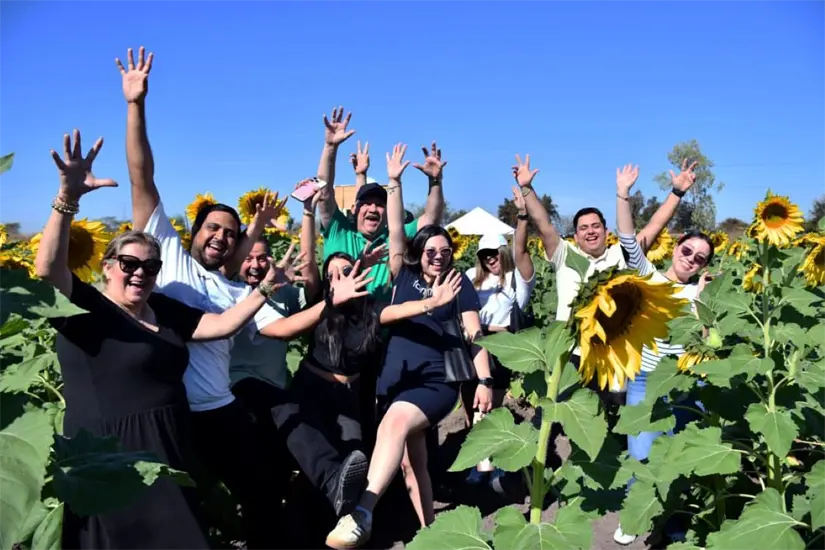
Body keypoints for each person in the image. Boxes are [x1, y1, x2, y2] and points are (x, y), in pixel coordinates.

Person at [117, 46, 362, 549]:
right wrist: (136, 106)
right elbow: (143, 176)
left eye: (231, 233)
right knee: (175, 508)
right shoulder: (170, 258)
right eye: (213, 228)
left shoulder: (238, 290)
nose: (222, 238)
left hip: (220, 407)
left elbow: (274, 325)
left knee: (261, 489)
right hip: (172, 408)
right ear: (192, 232)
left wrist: (328, 301)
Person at [33, 130, 292, 550]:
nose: (140, 273)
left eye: (150, 267)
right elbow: (48, 271)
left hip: (169, 450)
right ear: (107, 265)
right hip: (110, 455)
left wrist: (264, 290)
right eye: (129, 264)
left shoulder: (165, 308)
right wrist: (67, 200)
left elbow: (221, 325)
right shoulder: (85, 308)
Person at [326, 144, 494, 549]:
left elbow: (474, 335)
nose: (439, 256)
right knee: (410, 464)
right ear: (419, 255)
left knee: (396, 425)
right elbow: (398, 227)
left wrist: (485, 380)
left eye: (446, 251)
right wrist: (395, 183)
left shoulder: (459, 284)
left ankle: (362, 511)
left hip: (435, 382)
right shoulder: (403, 274)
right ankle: (430, 535)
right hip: (393, 382)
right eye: (431, 251)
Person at [514, 154, 696, 397]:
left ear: (606, 230)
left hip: (611, 351)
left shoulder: (621, 254)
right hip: (571, 352)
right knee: (552, 414)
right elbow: (543, 223)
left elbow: (654, 227)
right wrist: (527, 188)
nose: (590, 232)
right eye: (583, 228)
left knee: (612, 414)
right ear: (575, 236)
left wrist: (677, 192)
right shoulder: (563, 253)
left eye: (596, 226)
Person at [613, 163, 714, 545]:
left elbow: (705, 341)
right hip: (645, 380)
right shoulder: (650, 279)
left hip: (687, 385)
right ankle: (633, 513)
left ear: (705, 265)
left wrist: (704, 301)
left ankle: (672, 519)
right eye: (687, 250)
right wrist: (624, 194)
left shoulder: (699, 294)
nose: (690, 258)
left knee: (678, 459)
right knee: (640, 453)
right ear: (675, 248)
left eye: (700, 257)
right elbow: (627, 239)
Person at [315, 107, 445, 300]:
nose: (373, 208)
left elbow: (430, 220)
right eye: (366, 203)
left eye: (379, 204)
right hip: (340, 324)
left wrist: (435, 182)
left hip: (382, 327)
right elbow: (324, 192)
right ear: (355, 209)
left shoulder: (393, 236)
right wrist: (330, 147)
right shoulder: (340, 232)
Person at [460, 186, 536, 483]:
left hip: (500, 350)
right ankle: (479, 462)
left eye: (495, 253)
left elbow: (523, 251)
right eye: (485, 254)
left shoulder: (518, 279)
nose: (491, 258)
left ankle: (494, 463)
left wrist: (522, 216)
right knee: (470, 407)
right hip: (471, 346)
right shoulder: (470, 276)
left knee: (490, 406)